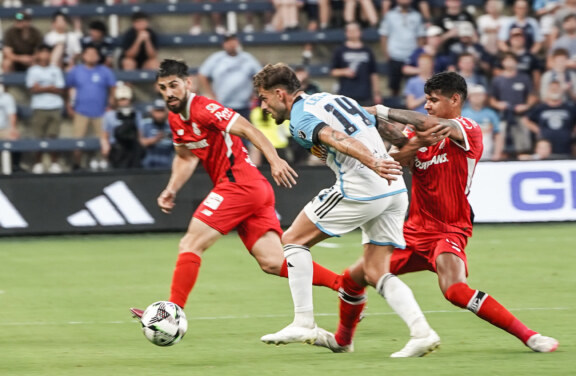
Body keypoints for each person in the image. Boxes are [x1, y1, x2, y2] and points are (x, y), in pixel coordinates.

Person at [361, 71, 558, 353]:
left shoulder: (468, 128)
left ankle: (530, 336)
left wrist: (380, 110)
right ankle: (343, 339)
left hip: (449, 227)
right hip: (413, 228)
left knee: (454, 290)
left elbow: (426, 123)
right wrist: (377, 124)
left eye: (433, 100)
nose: (426, 105)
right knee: (359, 273)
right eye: (426, 100)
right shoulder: (417, 132)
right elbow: (393, 159)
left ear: (455, 99)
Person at [129, 59, 341, 319]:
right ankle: (344, 286)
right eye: (163, 88)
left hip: (238, 184)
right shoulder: (176, 118)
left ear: (188, 83)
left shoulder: (205, 108)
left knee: (190, 242)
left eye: (174, 85)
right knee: (273, 262)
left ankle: (171, 313)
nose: (169, 93)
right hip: (250, 188)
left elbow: (249, 129)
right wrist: (171, 188)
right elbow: (186, 157)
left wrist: (274, 160)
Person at [254, 63, 440, 358]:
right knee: (376, 270)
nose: (262, 106)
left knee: (292, 240)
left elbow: (336, 137)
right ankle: (422, 332)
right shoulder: (333, 98)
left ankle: (304, 321)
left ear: (280, 94)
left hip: (362, 187)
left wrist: (373, 161)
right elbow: (382, 125)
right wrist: (406, 145)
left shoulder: (301, 116)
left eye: (264, 98)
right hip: (394, 190)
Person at [66, 44, 117, 170]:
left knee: (103, 140)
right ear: (83, 55)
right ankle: (77, 165)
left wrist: (110, 105)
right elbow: (68, 88)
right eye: (88, 53)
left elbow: (113, 89)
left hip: (101, 112)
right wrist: (69, 105)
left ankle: (104, 162)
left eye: (94, 54)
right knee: (78, 140)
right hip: (80, 111)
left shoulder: (105, 71)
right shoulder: (76, 71)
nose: (91, 56)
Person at [198, 33, 261, 121]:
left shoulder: (247, 58)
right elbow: (202, 75)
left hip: (244, 106)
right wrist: (209, 93)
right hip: (222, 106)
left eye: (233, 41)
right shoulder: (216, 58)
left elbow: (260, 75)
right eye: (228, 41)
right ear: (223, 44)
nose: (231, 44)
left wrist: (255, 93)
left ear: (237, 42)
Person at [378, 0, 426, 98]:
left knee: (413, 86)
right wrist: (386, 53)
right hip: (395, 55)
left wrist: (419, 54)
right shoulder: (389, 15)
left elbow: (420, 37)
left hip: (411, 55)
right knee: (394, 86)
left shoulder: (416, 16)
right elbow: (384, 35)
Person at [26, 44, 66, 174]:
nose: (44, 55)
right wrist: (50, 88)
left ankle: (54, 163)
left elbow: (59, 88)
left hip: (54, 106)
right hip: (39, 107)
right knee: (39, 136)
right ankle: (38, 163)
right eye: (41, 52)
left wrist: (41, 88)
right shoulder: (33, 71)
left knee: (53, 136)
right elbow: (33, 89)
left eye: (46, 52)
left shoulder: (55, 70)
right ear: (37, 54)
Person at [330, 22, 381, 106]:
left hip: (365, 94)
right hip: (346, 94)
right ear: (346, 33)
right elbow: (333, 71)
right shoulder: (340, 50)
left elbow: (373, 73)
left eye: (355, 30)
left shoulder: (367, 50)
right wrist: (344, 72)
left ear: (360, 32)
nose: (352, 33)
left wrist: (377, 93)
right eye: (350, 31)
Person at [524, 80, 576, 157]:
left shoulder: (569, 108)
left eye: (557, 89)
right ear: (548, 91)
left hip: (565, 147)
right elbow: (526, 120)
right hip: (546, 148)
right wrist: (538, 130)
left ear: (561, 91)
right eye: (552, 89)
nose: (555, 91)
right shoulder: (540, 107)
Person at [101, 83, 144, 169]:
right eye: (121, 99)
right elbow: (105, 135)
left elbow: (140, 135)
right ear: (117, 100)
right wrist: (105, 146)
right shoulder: (109, 116)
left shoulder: (136, 115)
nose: (123, 102)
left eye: (125, 99)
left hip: (132, 148)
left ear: (130, 99)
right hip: (117, 149)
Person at [462, 84, 502, 161]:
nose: (477, 97)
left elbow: (498, 134)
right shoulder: (462, 114)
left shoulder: (491, 114)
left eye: (479, 95)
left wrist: (497, 154)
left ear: (484, 96)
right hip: (467, 157)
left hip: (488, 155)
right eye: (474, 95)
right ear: (469, 97)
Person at [140, 98, 174, 169]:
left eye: (162, 111)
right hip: (149, 161)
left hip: (167, 162)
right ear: (152, 111)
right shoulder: (145, 125)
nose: (159, 114)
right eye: (157, 111)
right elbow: (141, 142)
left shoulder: (172, 126)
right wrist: (155, 139)